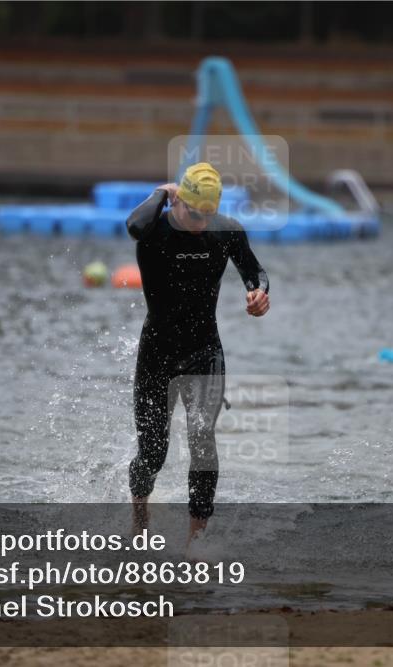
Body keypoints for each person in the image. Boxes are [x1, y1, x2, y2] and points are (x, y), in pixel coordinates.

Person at [126, 162, 270, 545]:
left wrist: (258, 293)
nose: (201, 222)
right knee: (152, 453)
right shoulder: (154, 228)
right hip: (157, 352)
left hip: (204, 350)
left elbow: (254, 272)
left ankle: (196, 542)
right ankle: (140, 521)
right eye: (194, 212)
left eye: (209, 213)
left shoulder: (226, 232)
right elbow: (134, 225)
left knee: (203, 439)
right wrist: (160, 192)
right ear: (179, 202)